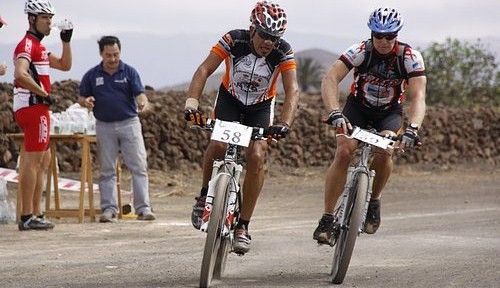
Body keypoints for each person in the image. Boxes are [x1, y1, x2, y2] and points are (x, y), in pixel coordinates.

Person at [184, 0, 299, 254]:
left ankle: (243, 225)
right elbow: (205, 69)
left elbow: (292, 90)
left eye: (275, 37)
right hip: (230, 100)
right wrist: (192, 103)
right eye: (265, 35)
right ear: (252, 30)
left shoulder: (283, 51)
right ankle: (204, 196)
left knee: (257, 155)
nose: (269, 42)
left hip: (260, 107)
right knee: (217, 144)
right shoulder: (234, 39)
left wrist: (284, 123)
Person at [313, 7, 426, 244]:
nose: (383, 42)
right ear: (371, 33)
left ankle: (374, 200)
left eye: (389, 36)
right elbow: (330, 78)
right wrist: (334, 112)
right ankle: (326, 217)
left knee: (385, 151)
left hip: (389, 113)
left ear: (397, 35)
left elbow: (418, 97)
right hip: (358, 109)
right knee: (344, 151)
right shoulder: (360, 51)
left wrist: (413, 127)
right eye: (378, 36)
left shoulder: (409, 57)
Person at [78, 35, 155, 223]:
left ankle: (143, 209)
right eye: (108, 55)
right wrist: (85, 101)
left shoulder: (129, 72)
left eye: (116, 54)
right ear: (101, 54)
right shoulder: (92, 75)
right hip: (104, 126)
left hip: (129, 124)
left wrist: (143, 103)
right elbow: (81, 98)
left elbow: (140, 94)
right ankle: (109, 209)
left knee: (138, 167)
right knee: (107, 170)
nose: (113, 59)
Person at [13, 0, 73, 231]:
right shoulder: (27, 44)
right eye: (44, 18)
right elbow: (20, 73)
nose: (49, 22)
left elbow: (65, 65)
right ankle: (28, 215)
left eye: (50, 18)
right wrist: (43, 93)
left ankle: (34, 212)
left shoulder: (38, 46)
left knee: (43, 161)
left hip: (37, 107)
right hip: (33, 107)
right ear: (32, 19)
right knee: (33, 162)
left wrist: (66, 41)